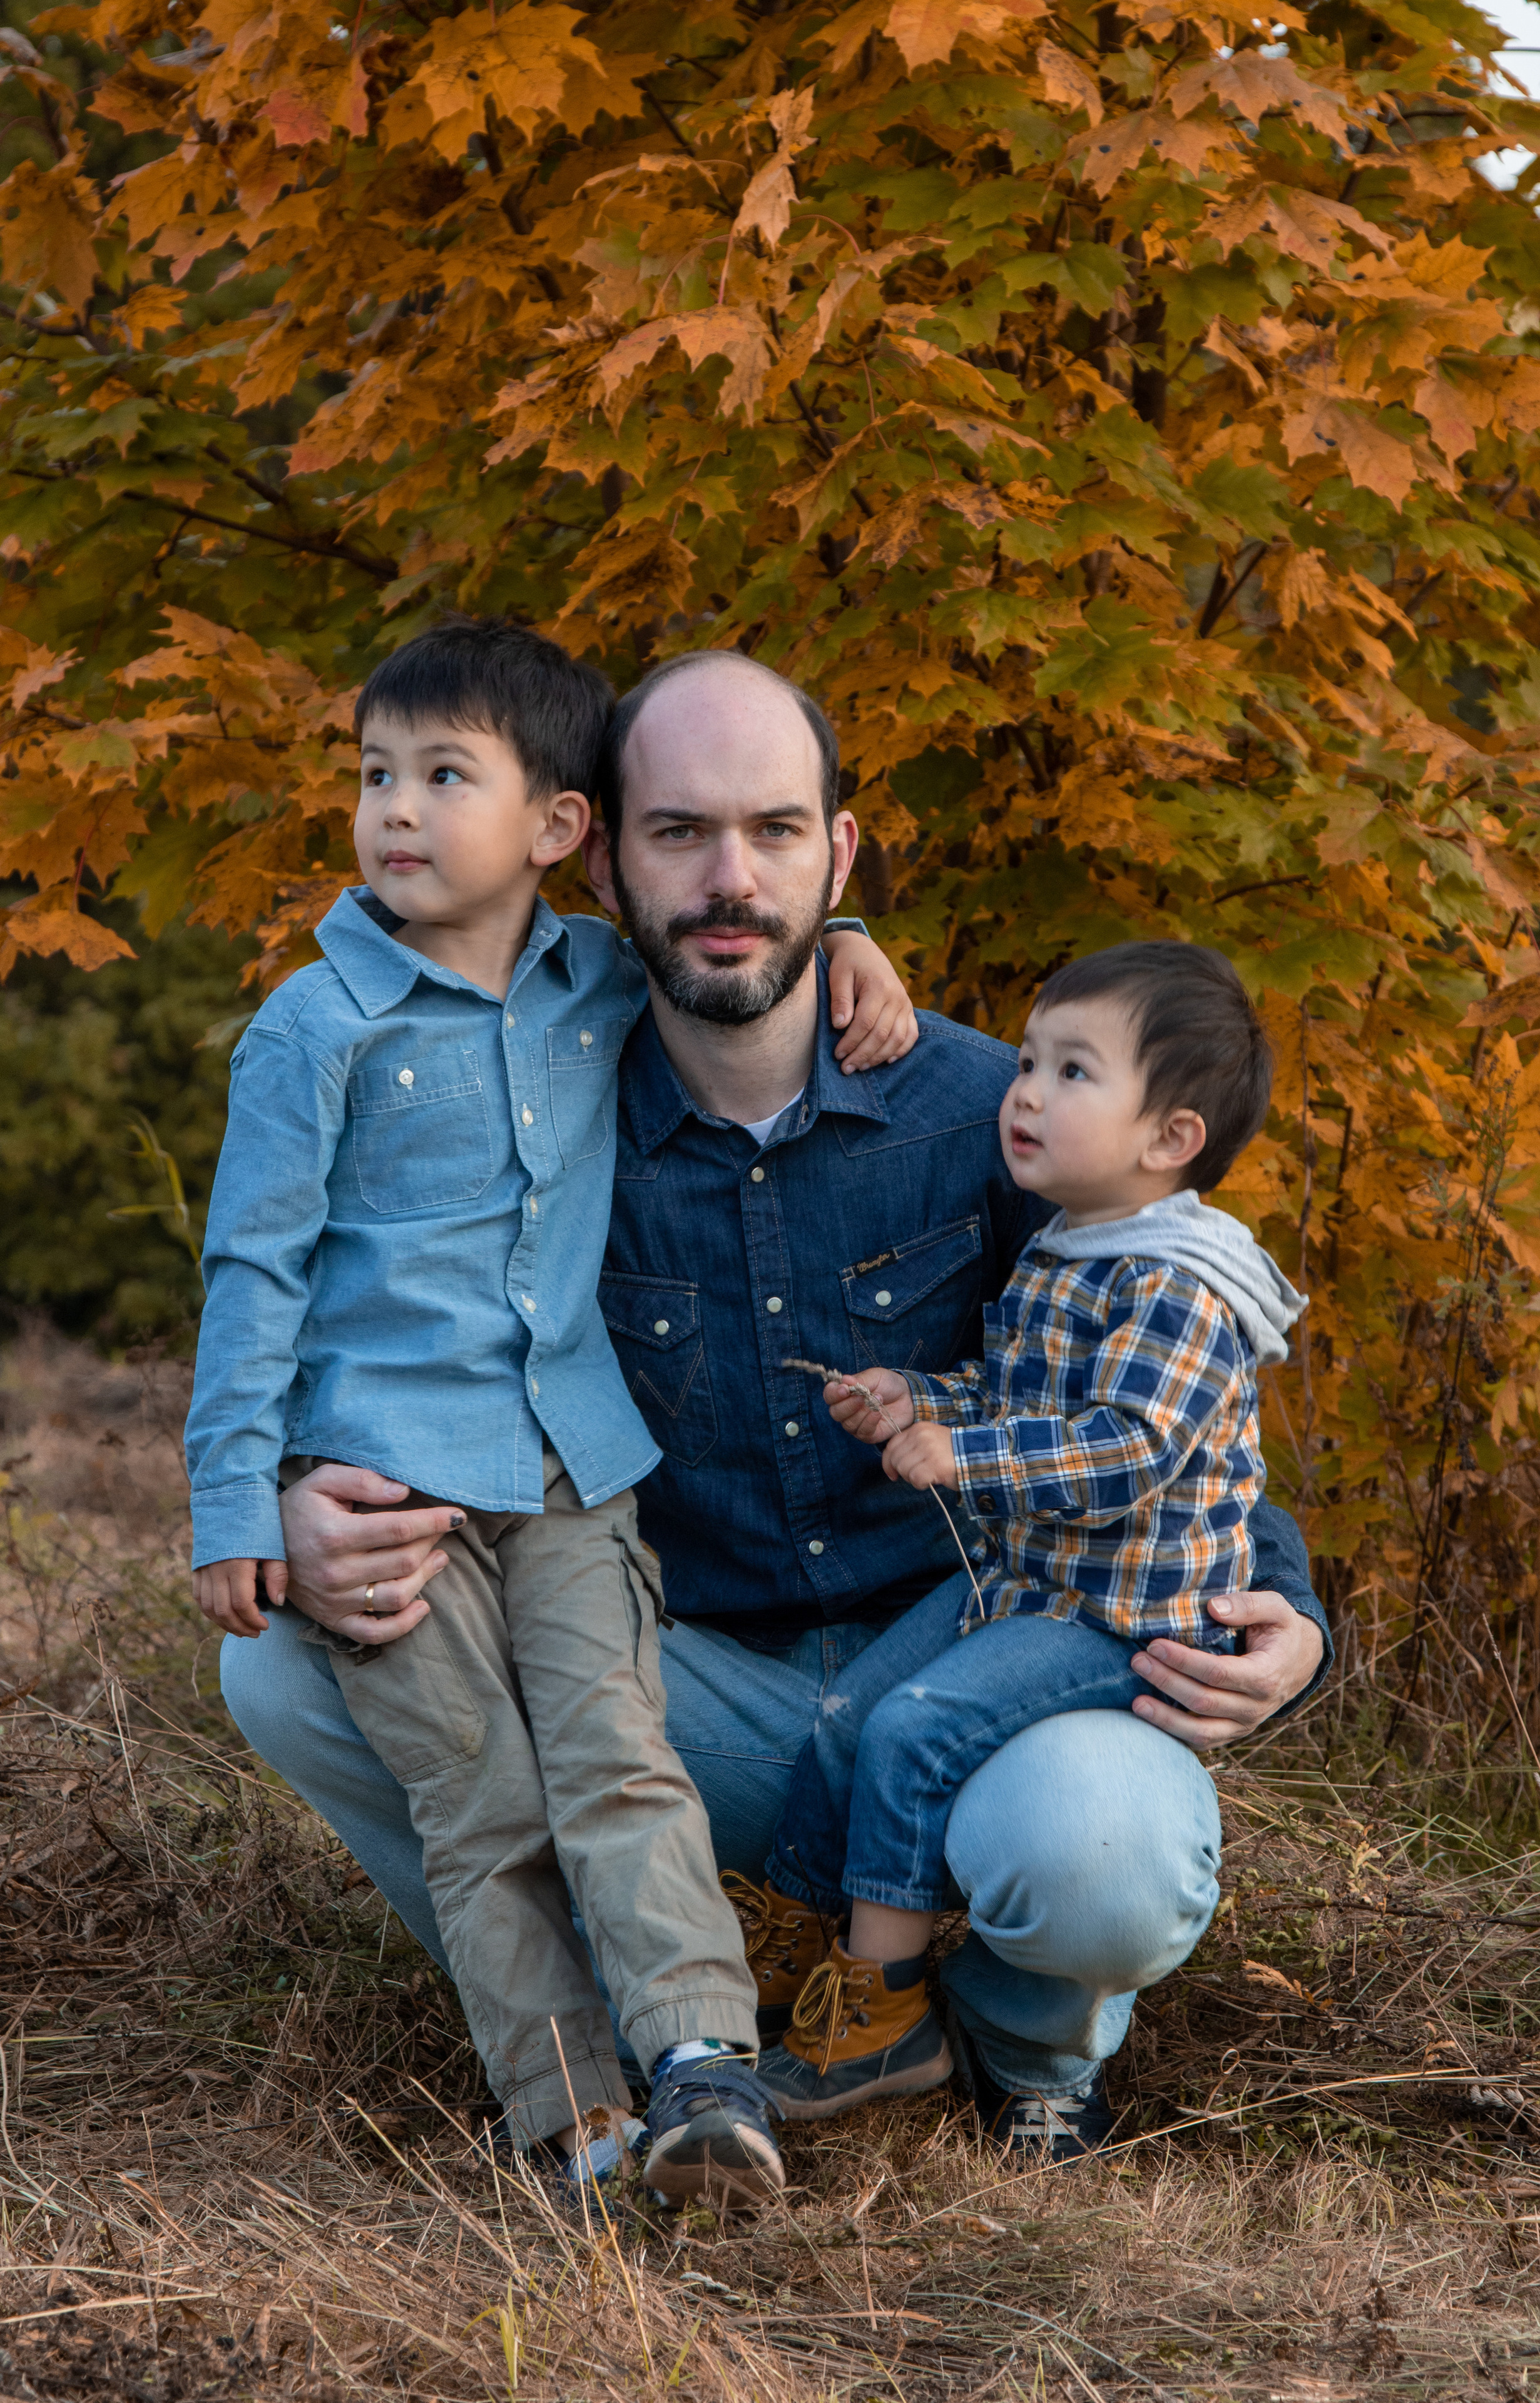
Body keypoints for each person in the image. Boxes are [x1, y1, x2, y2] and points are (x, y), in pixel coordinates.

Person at [220, 648, 1333, 2163]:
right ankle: (639, 2042)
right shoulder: (535, 1105)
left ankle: (1006, 2047)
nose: (728, 879)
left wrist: (1283, 1605)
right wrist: (298, 1488)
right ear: (596, 853)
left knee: (1098, 1844)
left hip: (974, 1661)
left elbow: (1155, 1390)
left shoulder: (981, 1113)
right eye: (679, 833)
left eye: (776, 832)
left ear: (839, 853)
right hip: (683, 1690)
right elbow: (348, 1302)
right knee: (294, 1660)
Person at [185, 618, 914, 2208]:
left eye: (444, 775)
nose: (393, 809)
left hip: (575, 1471)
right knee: (484, 1802)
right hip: (397, 1493)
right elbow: (250, 1277)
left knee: (613, 1758)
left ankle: (703, 2066)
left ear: (555, 831)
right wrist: (236, 1502)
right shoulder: (314, 1030)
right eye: (376, 773)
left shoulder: (591, 982)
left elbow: (732, 936)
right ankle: (576, 2115)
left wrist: (840, 936)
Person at [755, 942, 1307, 2118]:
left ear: (1171, 1140)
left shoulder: (1180, 1285)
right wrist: (916, 1401)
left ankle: (882, 2010)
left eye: (1072, 1072)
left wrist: (963, 1454)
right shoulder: (1070, 1250)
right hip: (1028, 1582)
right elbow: (1016, 1403)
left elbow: (1127, 1450)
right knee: (852, 1715)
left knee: (912, 1728)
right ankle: (793, 1936)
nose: (1026, 1094)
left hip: (1121, 1618)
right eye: (1026, 1062)